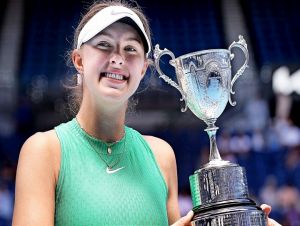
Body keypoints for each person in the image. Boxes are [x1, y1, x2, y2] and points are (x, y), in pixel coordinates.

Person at [12, 1, 280, 225]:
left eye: (130, 48)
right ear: (79, 60)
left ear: (143, 69)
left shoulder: (161, 156)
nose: (118, 56)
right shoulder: (43, 151)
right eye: (104, 44)